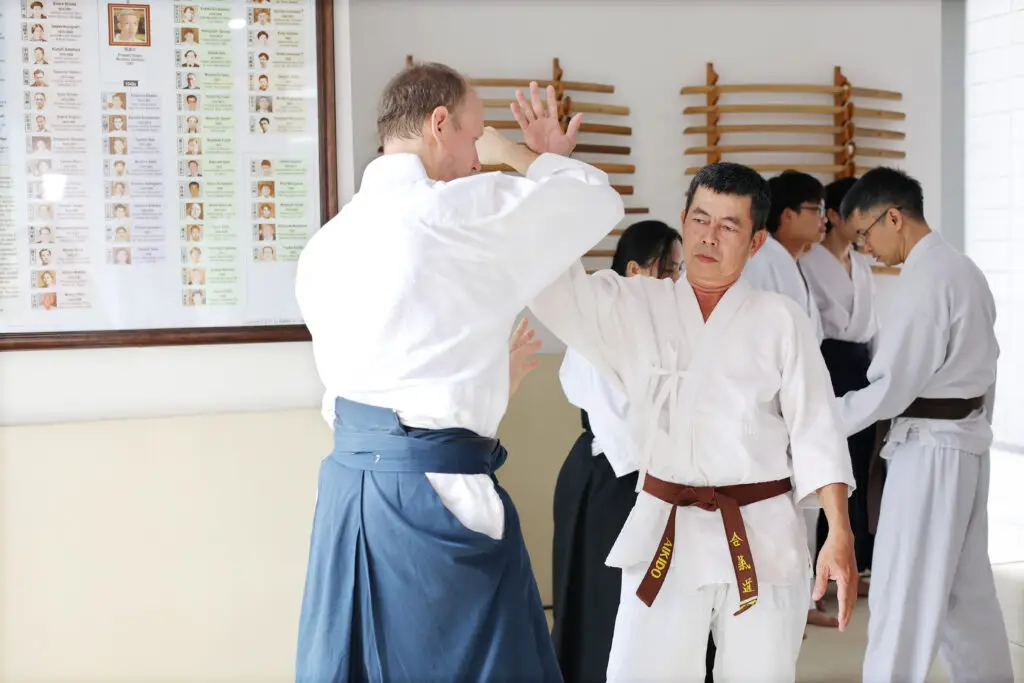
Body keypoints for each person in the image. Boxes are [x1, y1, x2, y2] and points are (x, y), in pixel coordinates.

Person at [293, 63, 624, 682]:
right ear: (440, 124)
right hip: (432, 495)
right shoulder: (453, 211)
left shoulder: (327, 243)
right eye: (478, 136)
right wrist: (524, 154)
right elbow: (595, 199)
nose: (480, 158)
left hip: (346, 496)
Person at [529, 161, 858, 682]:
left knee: (759, 674)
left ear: (754, 244)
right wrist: (548, 175)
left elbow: (816, 427)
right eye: (701, 219)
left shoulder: (780, 320)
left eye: (729, 226)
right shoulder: (637, 304)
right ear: (683, 220)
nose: (710, 237)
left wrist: (839, 530)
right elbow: (555, 287)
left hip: (760, 533)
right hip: (665, 527)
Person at [835, 167, 1013, 683]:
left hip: (931, 451)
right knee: (965, 596)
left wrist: (820, 418)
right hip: (963, 446)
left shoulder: (927, 280)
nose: (865, 247)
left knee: (902, 596)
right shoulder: (961, 268)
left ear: (895, 216)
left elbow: (892, 387)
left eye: (865, 233)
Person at [551, 219, 682, 683]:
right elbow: (617, 420)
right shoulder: (600, 322)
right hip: (610, 476)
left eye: (679, 271)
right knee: (601, 597)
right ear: (634, 270)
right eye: (667, 270)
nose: (675, 283)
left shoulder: (664, 326)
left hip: (644, 475)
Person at [740, 169, 837, 629]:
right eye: (815, 210)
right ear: (785, 216)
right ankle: (785, 606)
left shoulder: (792, 260)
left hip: (802, 395)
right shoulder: (764, 261)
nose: (823, 219)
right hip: (776, 403)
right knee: (782, 514)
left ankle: (803, 601)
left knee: (807, 507)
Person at [799, 177, 880, 586]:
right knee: (831, 466)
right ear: (832, 215)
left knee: (863, 466)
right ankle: (825, 565)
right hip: (829, 366)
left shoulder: (863, 265)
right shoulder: (808, 263)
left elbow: (873, 328)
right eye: (856, 211)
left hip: (864, 370)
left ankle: (858, 561)